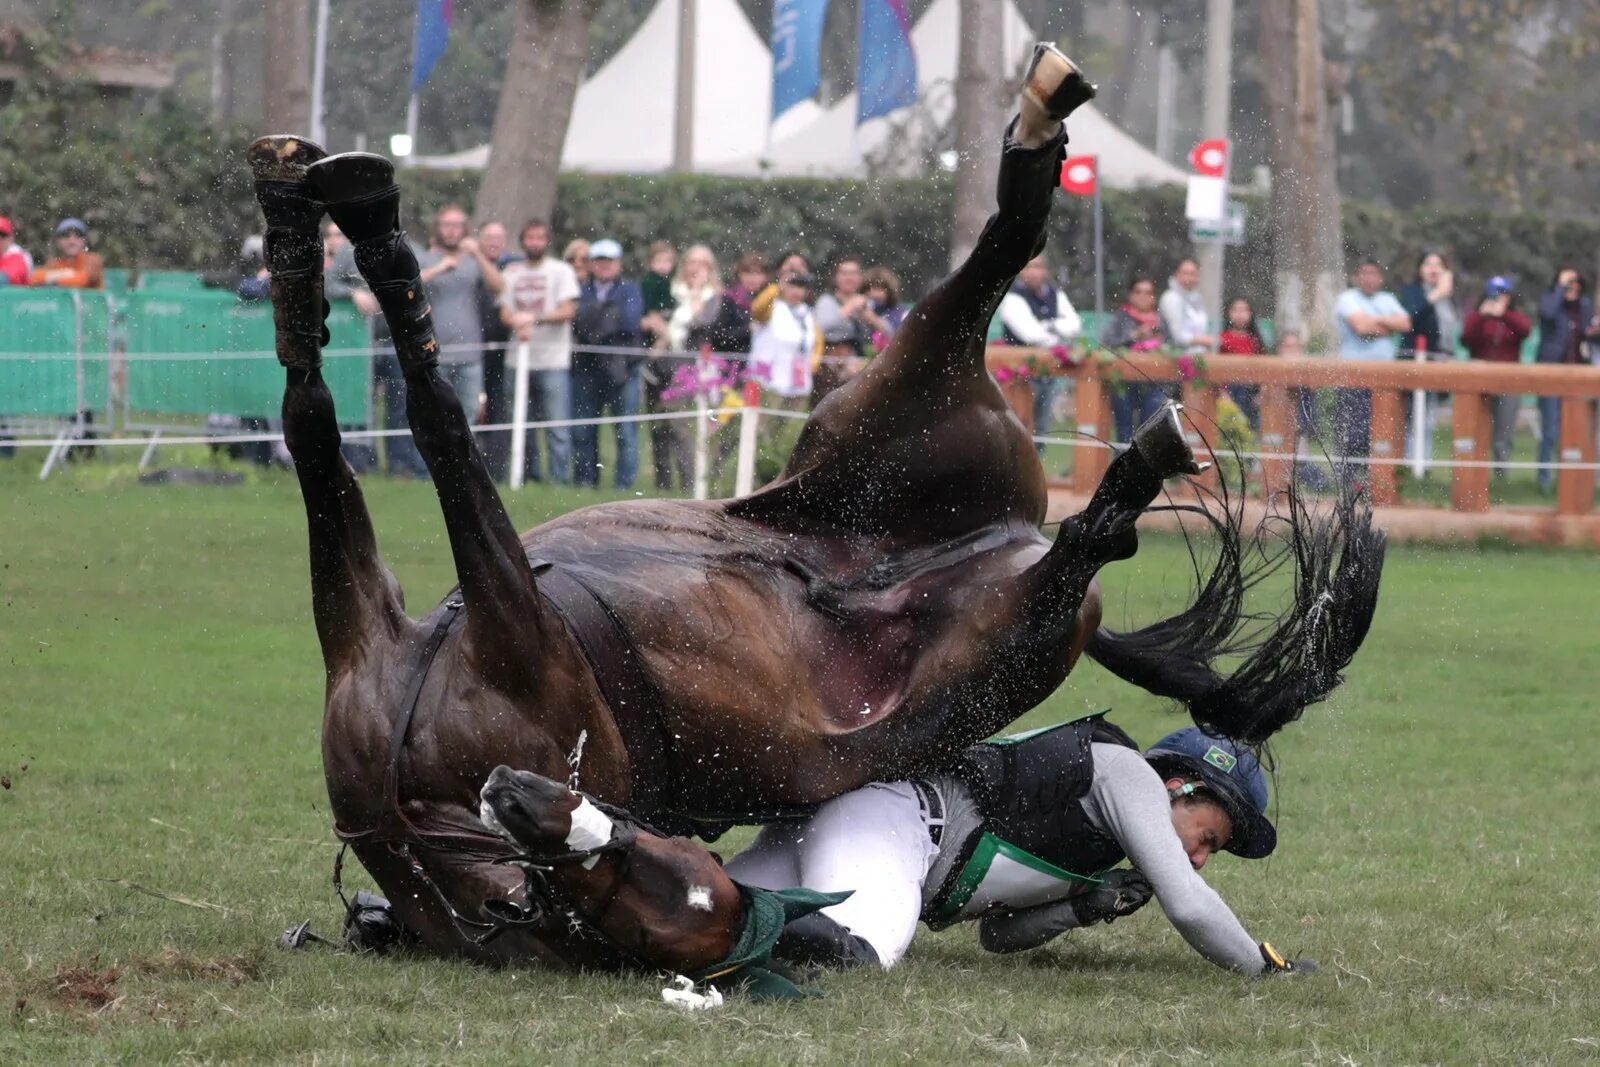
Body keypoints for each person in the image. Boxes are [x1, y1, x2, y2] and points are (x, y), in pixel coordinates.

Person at [724, 718, 1313, 976]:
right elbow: (1188, 903)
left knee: (712, 899)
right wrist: (1262, 968)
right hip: (892, 821)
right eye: (1207, 837)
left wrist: (1081, 907)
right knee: (863, 955)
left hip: (869, 825)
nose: (1200, 858)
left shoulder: (1106, 835)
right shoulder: (1131, 775)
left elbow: (996, 936)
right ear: (1179, 785)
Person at [499, 219, 579, 486]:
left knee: (557, 425)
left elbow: (568, 311)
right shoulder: (512, 274)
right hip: (518, 360)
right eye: (530, 237)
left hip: (553, 361)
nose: (534, 242)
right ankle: (529, 476)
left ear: (547, 241)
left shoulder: (561, 271)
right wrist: (517, 322)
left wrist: (532, 319)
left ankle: (560, 481)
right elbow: (505, 312)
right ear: (523, 241)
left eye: (539, 237)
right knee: (521, 424)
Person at [417, 204, 505, 419]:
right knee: (435, 418)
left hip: (470, 355)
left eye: (457, 225)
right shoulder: (425, 259)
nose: (451, 230)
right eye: (446, 225)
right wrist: (439, 268)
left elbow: (499, 286)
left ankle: (465, 455)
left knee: (469, 417)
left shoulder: (473, 261)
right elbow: (409, 286)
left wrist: (477, 253)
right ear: (437, 228)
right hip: (435, 355)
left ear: (465, 229)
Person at [571, 238, 645, 489]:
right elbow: (577, 322)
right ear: (592, 263)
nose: (604, 266)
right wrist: (606, 316)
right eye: (599, 261)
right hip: (587, 369)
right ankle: (585, 482)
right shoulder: (581, 288)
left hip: (621, 369)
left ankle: (624, 486)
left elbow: (629, 322)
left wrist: (596, 318)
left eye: (609, 261)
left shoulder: (630, 290)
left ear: (618, 263)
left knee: (625, 431)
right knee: (583, 430)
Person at [1333, 259, 1411, 472]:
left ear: (1380, 278)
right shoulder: (1347, 298)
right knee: (1352, 432)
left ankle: (1378, 481)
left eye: (1373, 273)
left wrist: (1373, 320)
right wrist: (1386, 325)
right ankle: (1347, 480)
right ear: (1356, 277)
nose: (1369, 278)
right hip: (1354, 377)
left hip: (1384, 379)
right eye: (1364, 273)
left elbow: (1405, 324)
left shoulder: (1388, 298)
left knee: (1382, 432)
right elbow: (1360, 326)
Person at [999, 254, 1082, 448]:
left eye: (1038, 267)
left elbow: (1075, 324)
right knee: (1018, 423)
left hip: (1047, 371)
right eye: (1029, 267)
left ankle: (1038, 470)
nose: (1034, 272)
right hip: (1018, 372)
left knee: (1042, 427)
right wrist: (1056, 331)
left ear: (1045, 271)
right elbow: (1031, 335)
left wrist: (1047, 325)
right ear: (1021, 271)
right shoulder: (1012, 296)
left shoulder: (1054, 293)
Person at [1535, 268, 1600, 493]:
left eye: (1575, 283)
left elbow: (1587, 333)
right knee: (1550, 431)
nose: (1572, 287)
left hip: (1577, 375)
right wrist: (1560, 288)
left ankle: (1572, 481)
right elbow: (1548, 313)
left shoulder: (1583, 306)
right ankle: (1544, 480)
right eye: (1567, 282)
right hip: (1552, 373)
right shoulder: (1550, 301)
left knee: (1575, 431)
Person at [1460, 277, 1532, 479]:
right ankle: (1471, 474)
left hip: (1508, 380)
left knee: (1504, 431)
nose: (1499, 297)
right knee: (1475, 429)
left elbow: (1525, 330)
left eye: (1503, 293)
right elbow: (1466, 339)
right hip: (1479, 378)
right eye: (1494, 293)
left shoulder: (1513, 317)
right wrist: (1482, 315)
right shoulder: (1477, 316)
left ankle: (1501, 475)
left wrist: (1504, 315)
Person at [474, 221, 521, 481]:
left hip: (503, 353)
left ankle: (497, 469)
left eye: (498, 238)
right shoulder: (471, 264)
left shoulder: (514, 266)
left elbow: (501, 286)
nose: (493, 242)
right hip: (474, 348)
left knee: (500, 409)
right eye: (488, 237)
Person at [1101, 275, 1171, 442]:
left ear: (1154, 297)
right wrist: (1134, 336)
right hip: (1124, 383)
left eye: (1148, 292)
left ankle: (1143, 468)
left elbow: (1172, 348)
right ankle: (1123, 466)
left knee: (1149, 433)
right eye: (1139, 292)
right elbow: (1107, 344)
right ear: (1131, 295)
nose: (1143, 296)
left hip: (1154, 384)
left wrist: (1159, 345)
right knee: (1124, 432)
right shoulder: (1121, 318)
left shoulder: (1161, 322)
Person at [749, 270, 822, 406]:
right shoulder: (772, 306)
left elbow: (817, 342)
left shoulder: (807, 312)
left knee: (793, 425)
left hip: (799, 382)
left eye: (800, 287)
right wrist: (776, 288)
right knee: (766, 423)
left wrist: (813, 364)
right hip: (769, 382)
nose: (796, 292)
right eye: (792, 286)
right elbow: (757, 309)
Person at [1217, 297, 1267, 428]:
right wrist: (1222, 392)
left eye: (1244, 310)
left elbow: (1264, 366)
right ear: (1228, 313)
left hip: (1251, 390)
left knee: (1250, 428)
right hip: (1230, 389)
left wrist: (1262, 390)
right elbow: (1217, 368)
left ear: (1251, 314)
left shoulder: (1255, 340)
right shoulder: (1223, 339)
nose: (1239, 314)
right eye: (1235, 310)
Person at [1158, 257, 1215, 355]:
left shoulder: (1196, 298)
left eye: (1193, 274)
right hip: (1176, 357)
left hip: (1199, 356)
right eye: (1185, 273)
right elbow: (1177, 336)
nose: (1189, 277)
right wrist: (1203, 340)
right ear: (1176, 274)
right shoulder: (1171, 298)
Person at [30, 218, 104, 289]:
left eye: (78, 235)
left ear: (85, 240)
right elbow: (34, 279)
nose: (72, 241)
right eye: (65, 235)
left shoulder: (92, 259)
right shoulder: (56, 263)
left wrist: (52, 277)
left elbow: (81, 281)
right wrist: (64, 273)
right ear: (57, 241)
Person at [863, 266, 908, 351]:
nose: (874, 294)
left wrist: (872, 318)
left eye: (879, 289)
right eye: (870, 289)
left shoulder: (897, 311)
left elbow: (893, 333)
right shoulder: (866, 306)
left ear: (889, 291)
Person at [0, 216, 31, 286]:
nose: (0, 239)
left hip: (17, 296)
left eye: (3, 235)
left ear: (11, 238)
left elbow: (8, 277)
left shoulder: (18, 255)